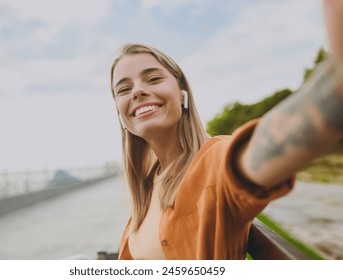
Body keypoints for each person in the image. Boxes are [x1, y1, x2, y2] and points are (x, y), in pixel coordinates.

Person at [109, 0, 343, 260]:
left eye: (153, 78)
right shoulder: (146, 185)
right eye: (124, 89)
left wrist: (336, 82)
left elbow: (267, 149)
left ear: (182, 94)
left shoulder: (213, 161)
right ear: (121, 113)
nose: (138, 91)